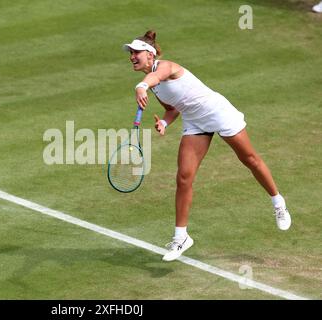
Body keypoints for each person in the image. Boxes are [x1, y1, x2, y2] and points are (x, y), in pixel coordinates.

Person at [123, 30, 292, 262]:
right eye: (130, 53)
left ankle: (278, 202)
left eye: (136, 52)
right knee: (184, 177)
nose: (132, 56)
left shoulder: (166, 67)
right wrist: (164, 122)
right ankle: (181, 237)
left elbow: (152, 79)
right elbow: (173, 109)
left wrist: (140, 87)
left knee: (249, 159)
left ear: (150, 55)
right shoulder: (154, 85)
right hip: (195, 121)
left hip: (217, 112)